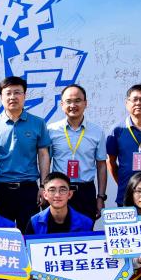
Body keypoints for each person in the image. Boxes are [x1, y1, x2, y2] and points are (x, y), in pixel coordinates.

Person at [17, 172, 99, 280]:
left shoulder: (85, 222)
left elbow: (90, 258)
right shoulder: (34, 221)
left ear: (70, 194)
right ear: (45, 194)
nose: (57, 194)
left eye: (63, 190)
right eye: (52, 190)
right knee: (21, 272)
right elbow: (26, 256)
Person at [0, 76, 52, 233]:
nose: (13, 97)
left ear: (24, 95)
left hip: (28, 189)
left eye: (17, 92)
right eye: (8, 93)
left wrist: (43, 186)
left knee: (29, 233)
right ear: (1, 97)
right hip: (0, 189)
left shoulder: (38, 123)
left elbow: (43, 155)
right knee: (1, 236)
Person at [47, 84, 108, 221]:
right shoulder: (51, 130)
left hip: (85, 192)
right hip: (59, 191)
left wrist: (100, 197)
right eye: (68, 101)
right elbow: (46, 161)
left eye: (78, 101)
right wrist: (45, 189)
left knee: (85, 230)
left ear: (85, 103)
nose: (73, 105)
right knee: (57, 231)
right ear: (62, 105)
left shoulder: (97, 132)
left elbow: (101, 165)